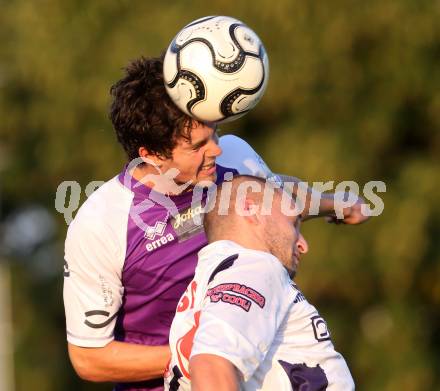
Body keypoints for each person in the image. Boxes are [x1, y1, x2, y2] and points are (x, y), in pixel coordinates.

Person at [63, 56, 366, 391]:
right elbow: (89, 357)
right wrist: (195, 355)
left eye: (215, 133)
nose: (217, 151)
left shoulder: (235, 156)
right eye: (197, 146)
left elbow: (277, 194)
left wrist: (335, 205)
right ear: (149, 154)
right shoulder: (101, 224)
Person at [165, 175, 355, 390]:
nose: (303, 245)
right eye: (293, 223)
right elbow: (212, 365)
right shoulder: (254, 265)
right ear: (251, 210)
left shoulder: (206, 283)